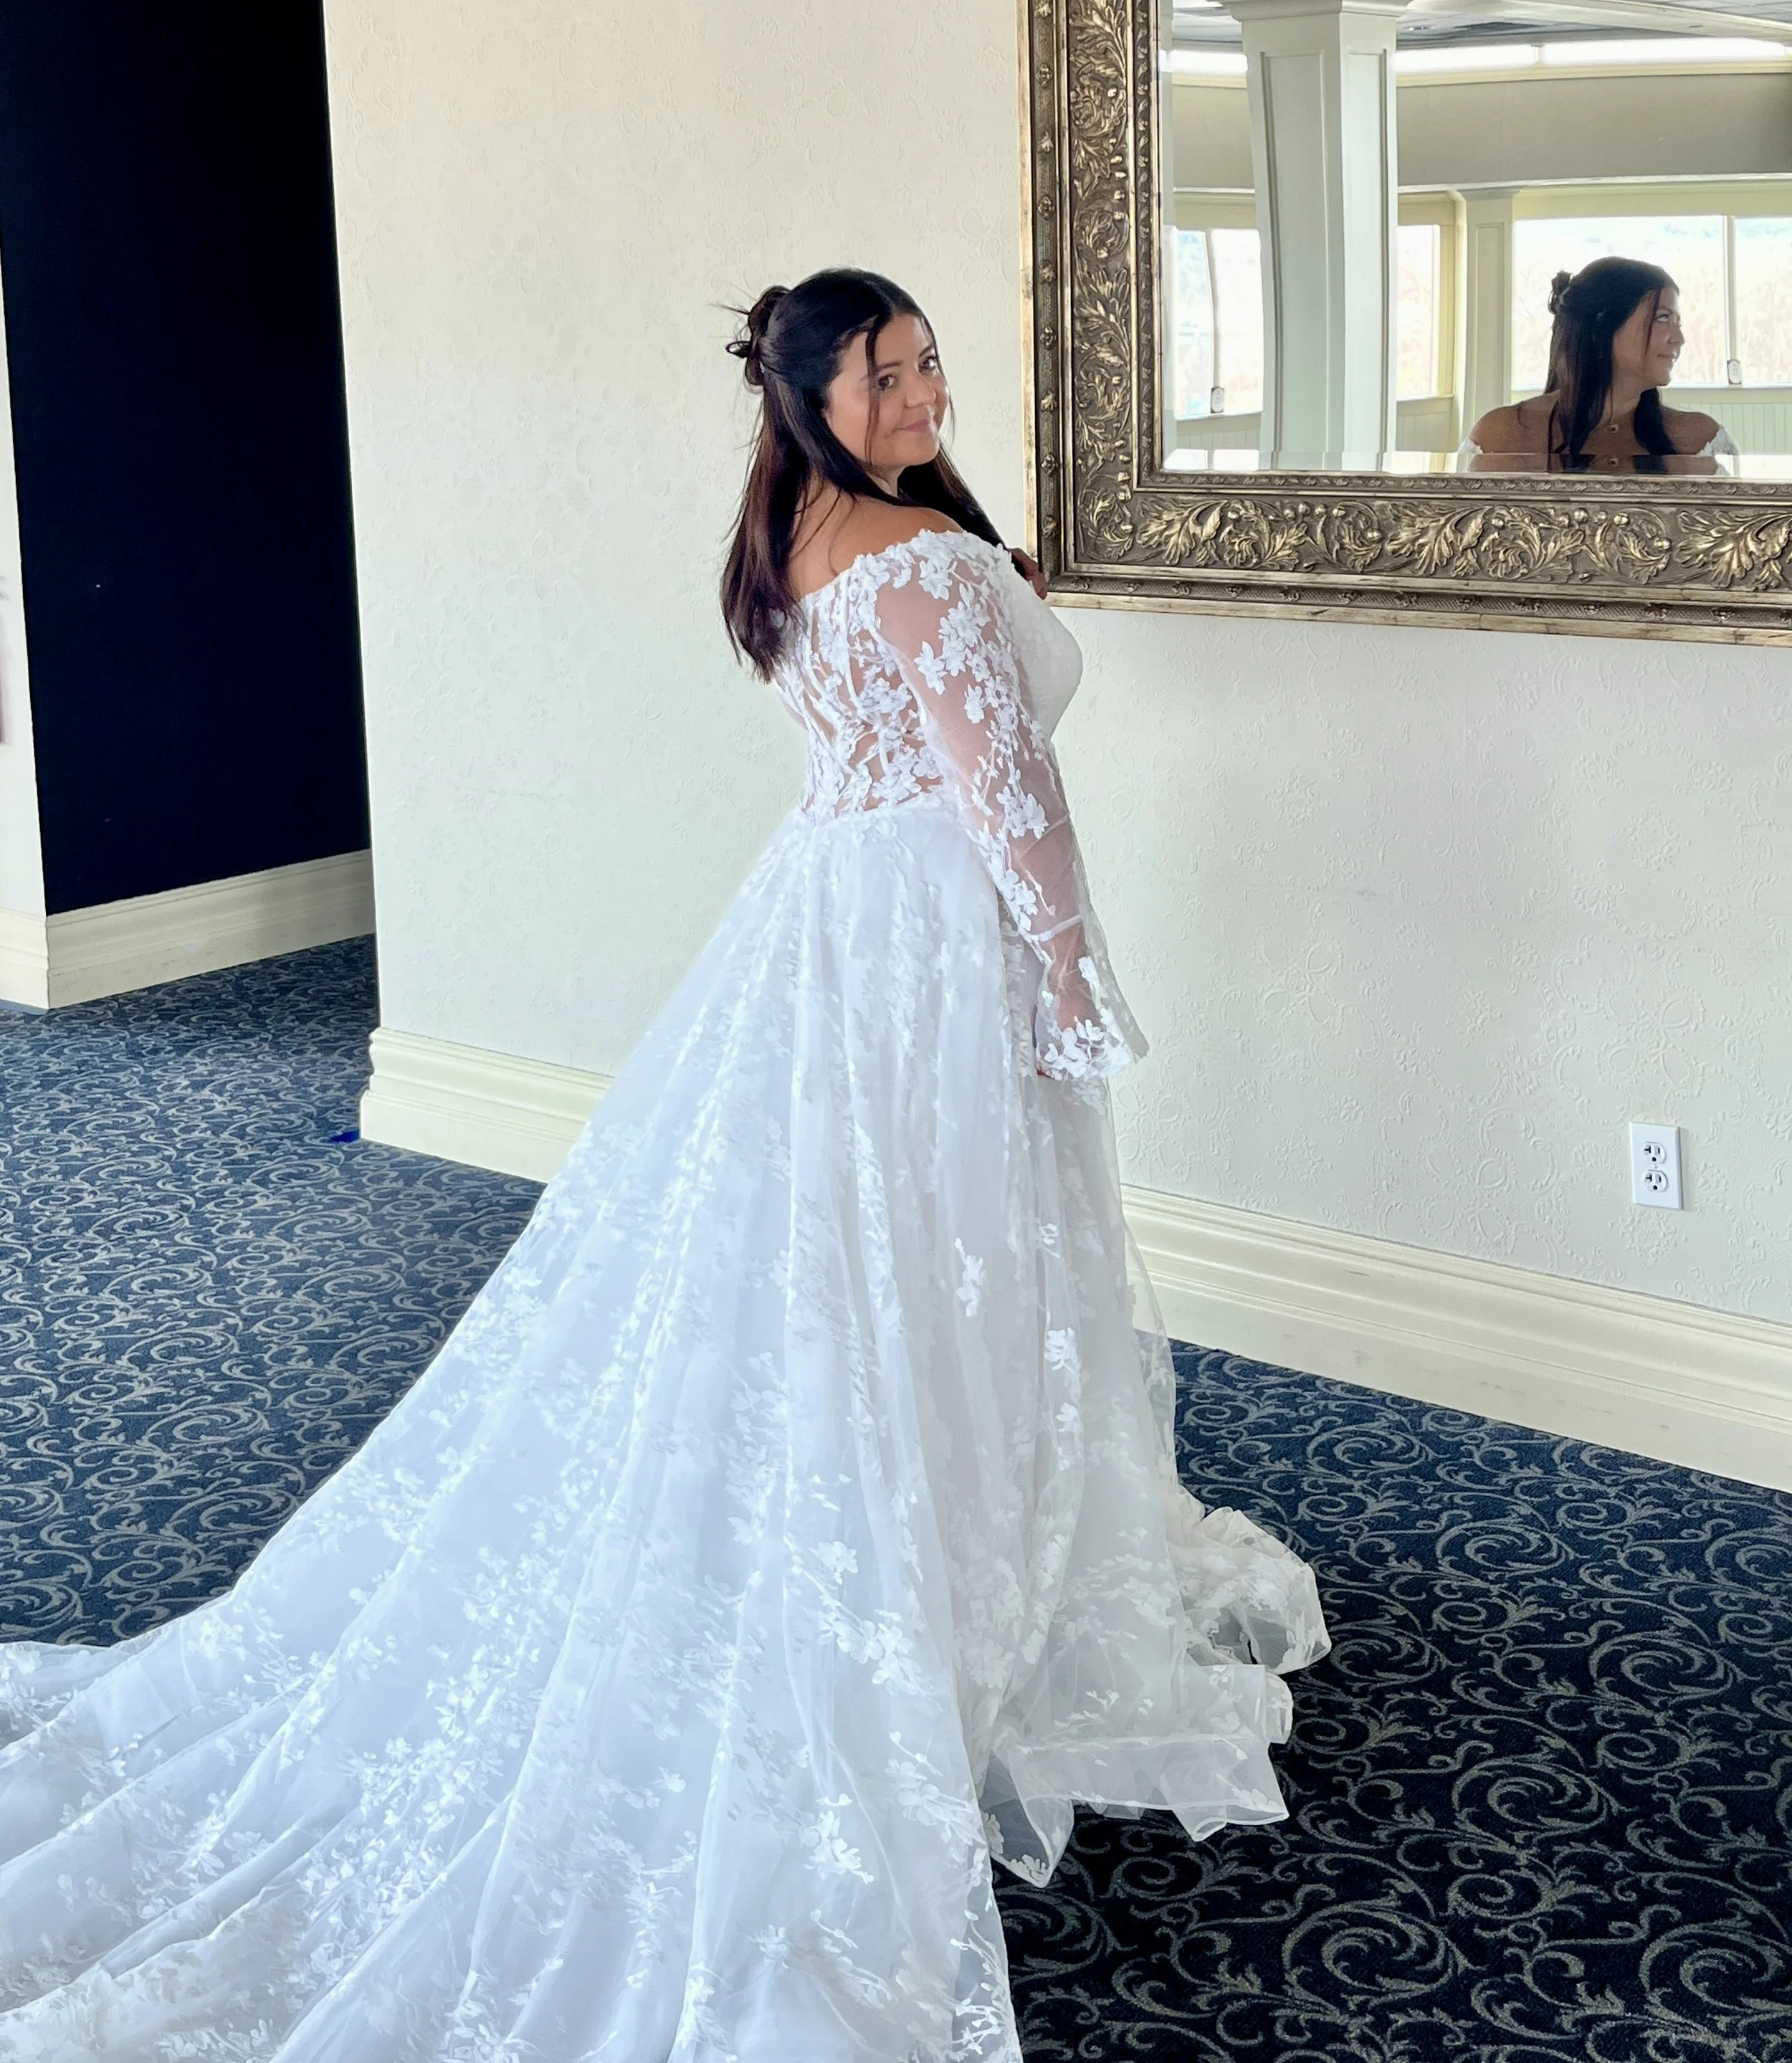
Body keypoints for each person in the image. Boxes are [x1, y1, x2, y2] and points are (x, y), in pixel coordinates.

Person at [0, 266, 1328, 2062]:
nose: (928, 391)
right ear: (812, 394)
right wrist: (1077, 978)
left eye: (933, 362)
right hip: (927, 944)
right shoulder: (924, 563)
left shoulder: (791, 538)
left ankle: (898, 1549)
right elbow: (1013, 797)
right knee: (942, 1255)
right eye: (891, 372)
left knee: (837, 1263)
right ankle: (927, 1588)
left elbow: (907, 726)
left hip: (823, 924)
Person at [1461, 255, 1739, 472]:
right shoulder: (1499, 436)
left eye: (1678, 323)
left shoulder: (1702, 440)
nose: (1678, 339)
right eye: (1663, 318)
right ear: (1603, 326)